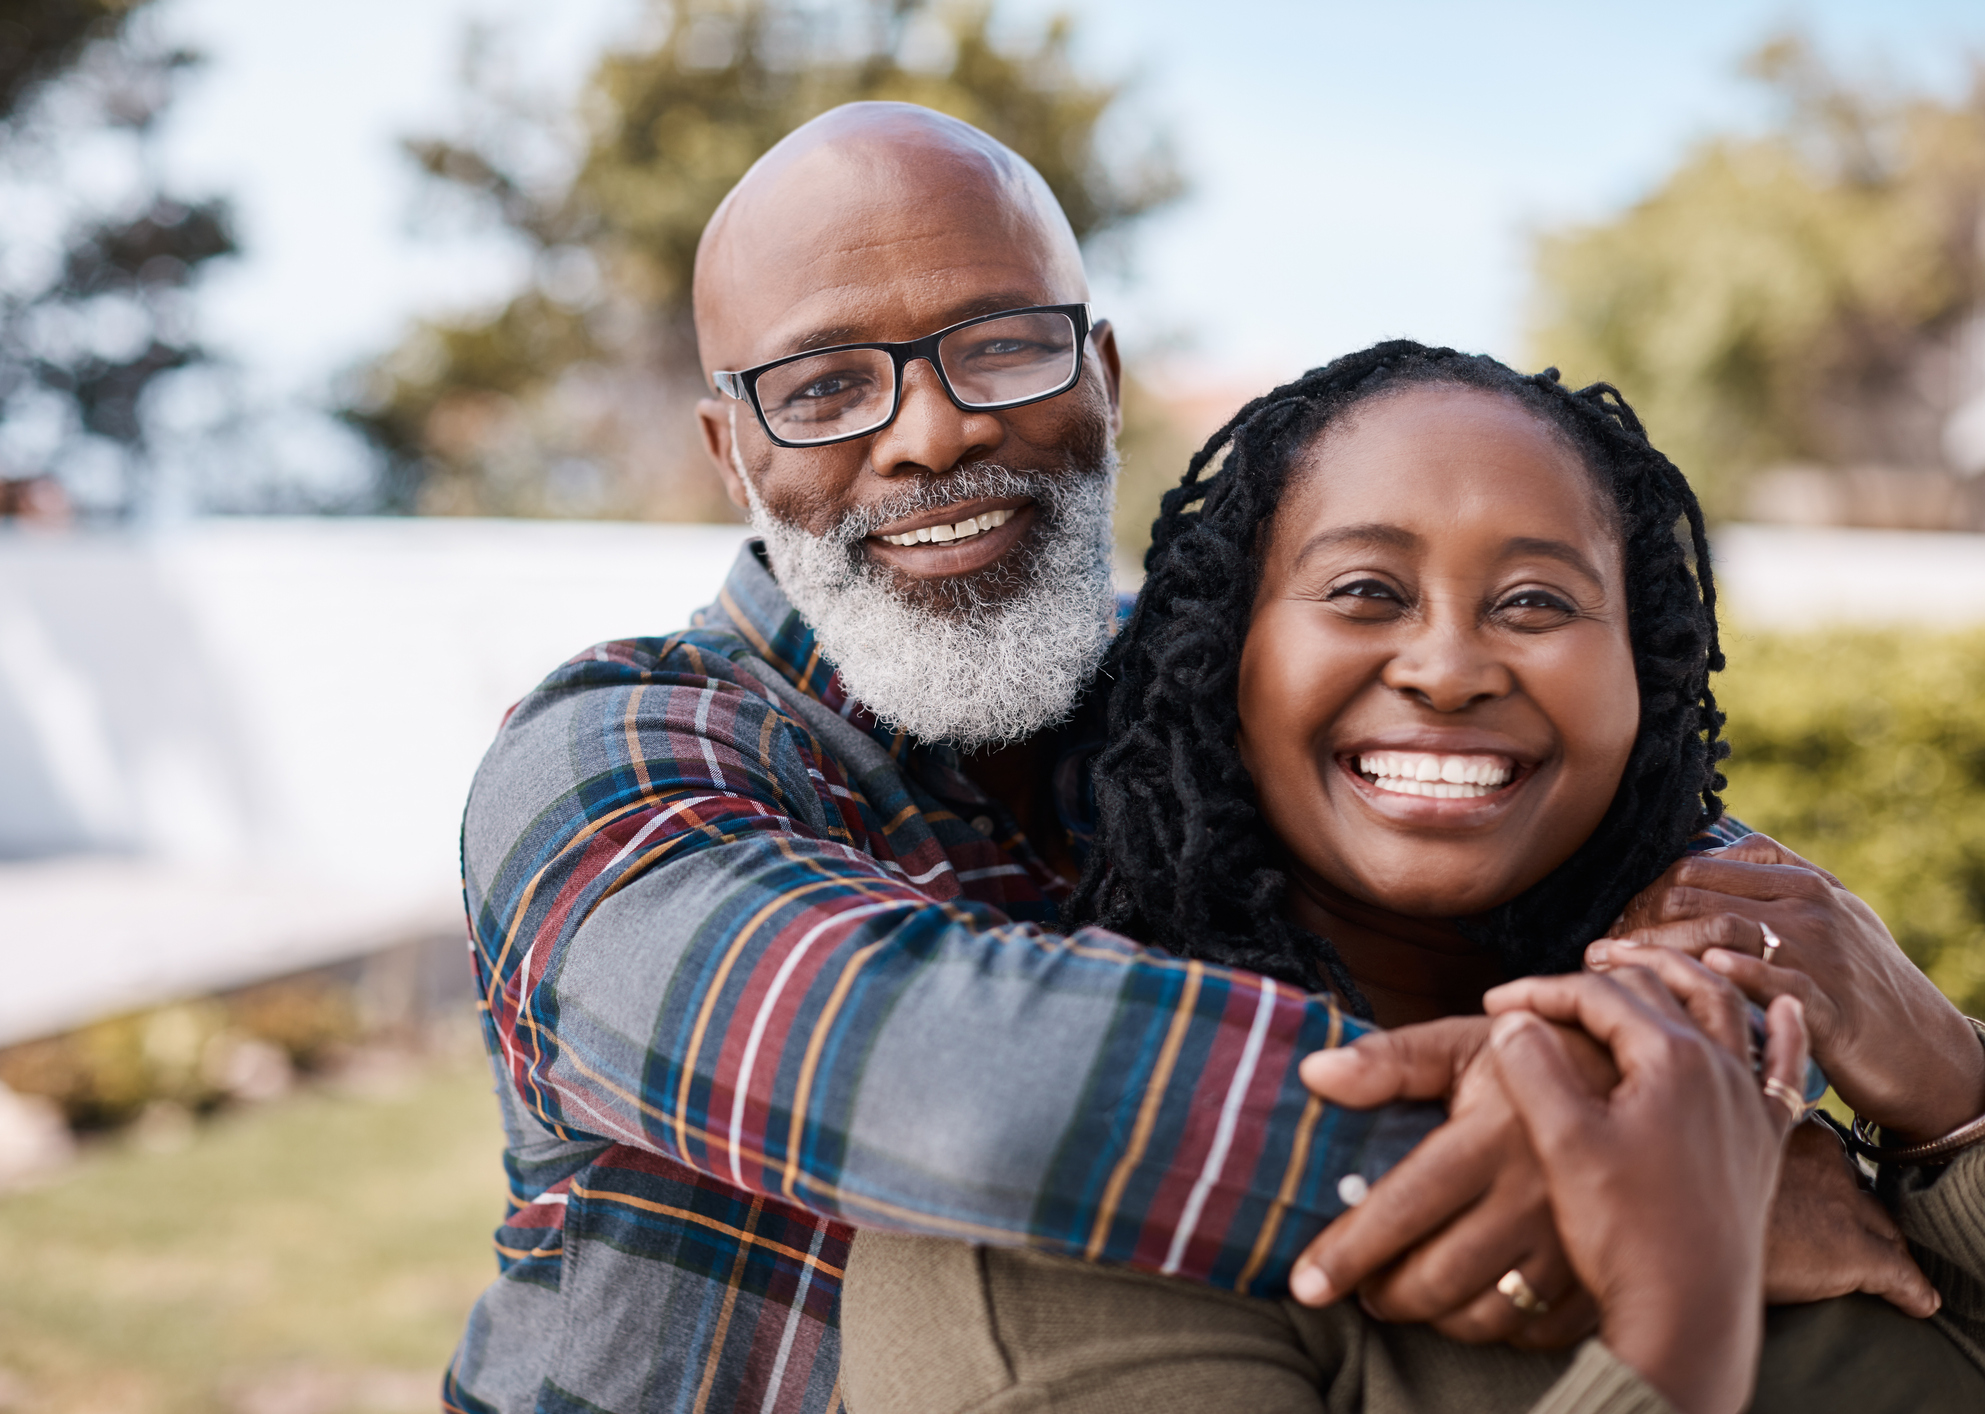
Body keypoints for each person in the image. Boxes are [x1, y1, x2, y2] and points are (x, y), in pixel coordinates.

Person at [443, 106, 1940, 1414]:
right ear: (729, 450)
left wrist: (1834, 1049)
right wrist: (1642, 1155)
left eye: (999, 345)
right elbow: (956, 1085)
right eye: (824, 388)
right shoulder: (617, 757)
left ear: (1097, 371)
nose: (931, 430)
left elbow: (1601, 838)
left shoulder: (1214, 667)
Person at [838, 345, 1985, 1410]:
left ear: (1649, 678)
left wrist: (1951, 1099)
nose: (1447, 669)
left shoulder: (1735, 1057)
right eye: (1365, 592)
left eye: (1536, 600)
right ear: (1218, 662)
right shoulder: (1045, 1204)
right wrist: (1682, 1296)